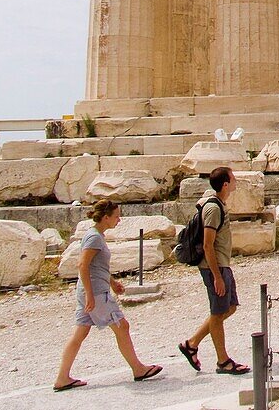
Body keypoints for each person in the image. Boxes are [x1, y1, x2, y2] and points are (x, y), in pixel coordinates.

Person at [53, 200, 163, 391]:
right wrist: (90, 295)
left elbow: (96, 266)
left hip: (92, 290)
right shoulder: (95, 238)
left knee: (81, 332)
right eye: (116, 216)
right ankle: (138, 369)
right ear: (106, 218)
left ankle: (62, 377)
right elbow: (83, 265)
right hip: (95, 292)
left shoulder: (95, 235)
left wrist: (112, 282)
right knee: (122, 326)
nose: (119, 220)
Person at [178, 167, 251, 376]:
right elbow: (207, 245)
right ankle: (223, 361)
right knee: (218, 313)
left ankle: (191, 344)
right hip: (214, 268)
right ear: (226, 184)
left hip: (222, 265)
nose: (236, 181)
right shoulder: (213, 209)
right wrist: (217, 277)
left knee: (230, 307)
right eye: (233, 178)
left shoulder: (219, 204)